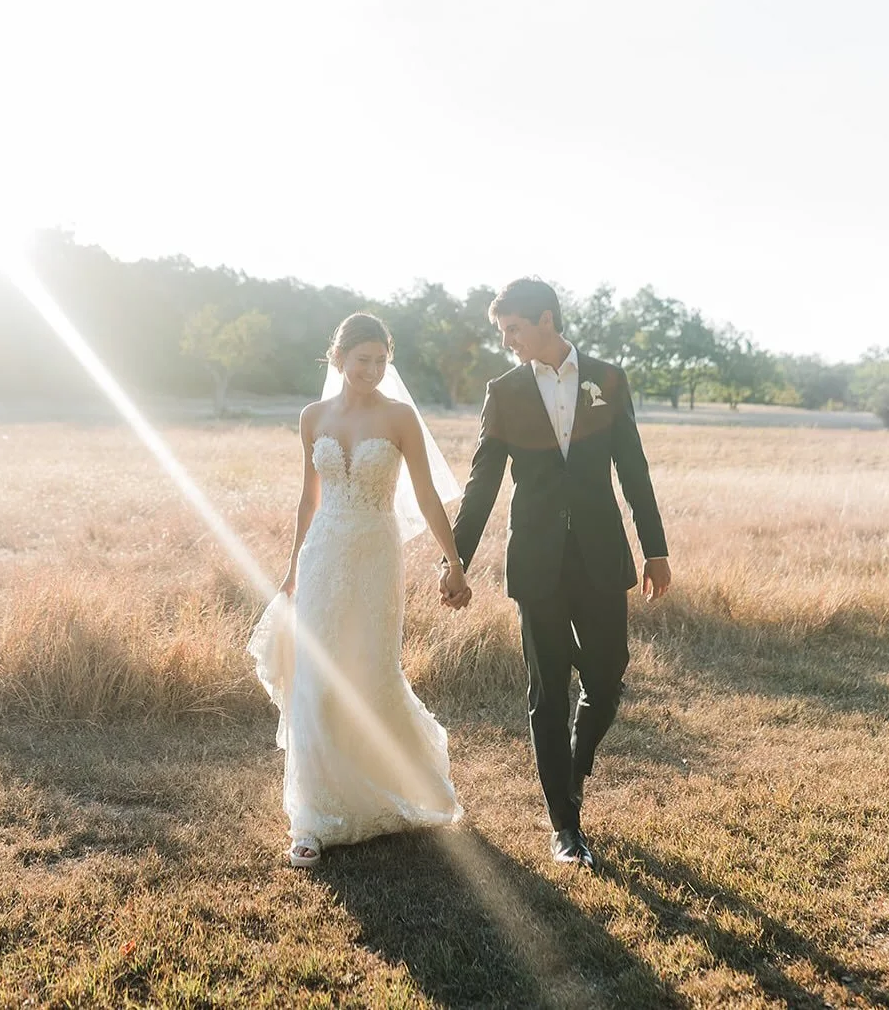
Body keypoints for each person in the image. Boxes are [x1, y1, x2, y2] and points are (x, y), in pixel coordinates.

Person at [444, 278, 671, 869]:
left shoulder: (607, 378)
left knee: (608, 674)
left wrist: (656, 549)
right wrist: (457, 561)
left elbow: (635, 470)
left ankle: (572, 769)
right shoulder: (505, 391)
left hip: (601, 554)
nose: (509, 342)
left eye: (514, 330)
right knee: (547, 693)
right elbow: (482, 482)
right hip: (537, 562)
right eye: (503, 333)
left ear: (546, 319)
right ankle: (565, 826)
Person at [248, 312, 469, 868]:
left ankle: (384, 792)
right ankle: (313, 818)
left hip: (374, 554)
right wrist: (292, 568)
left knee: (370, 670)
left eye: (380, 360)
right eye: (361, 359)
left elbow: (424, 495)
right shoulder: (312, 416)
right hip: (322, 555)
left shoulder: (399, 419)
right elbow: (309, 499)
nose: (371, 369)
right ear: (338, 358)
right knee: (317, 677)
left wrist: (455, 561)